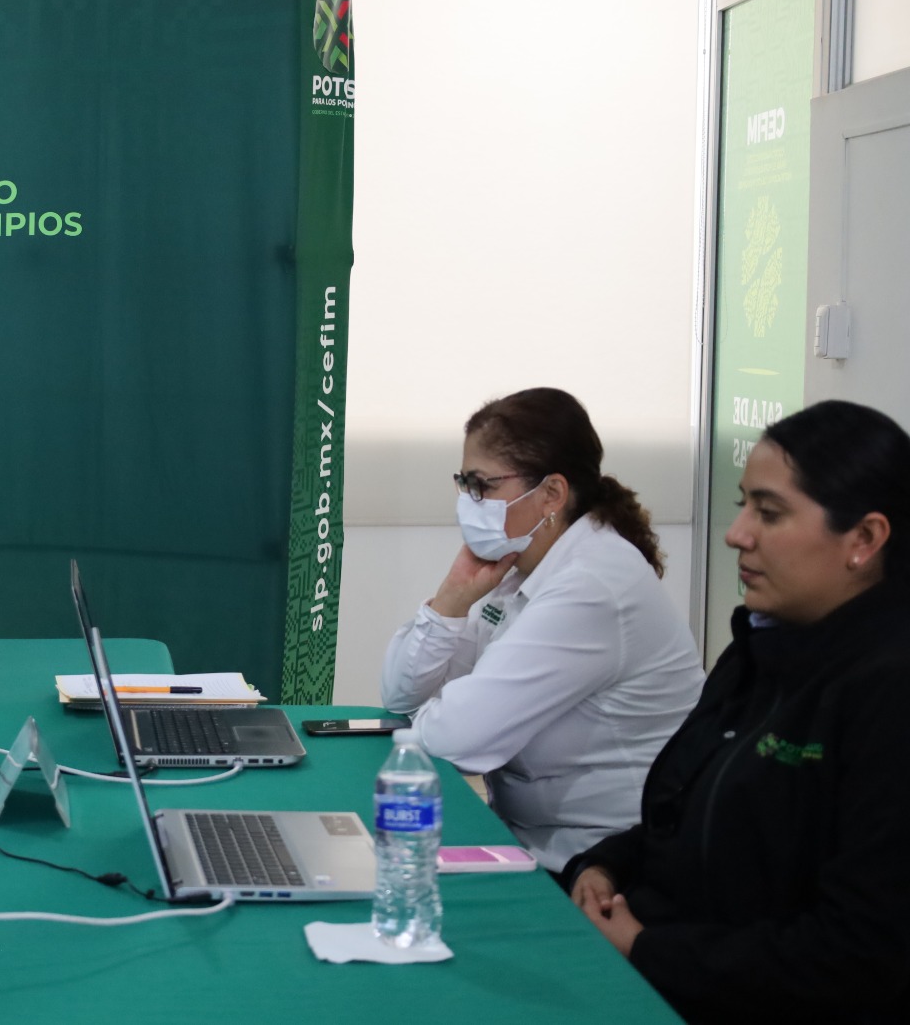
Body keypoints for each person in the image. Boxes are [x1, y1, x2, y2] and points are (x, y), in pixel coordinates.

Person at [567, 399, 910, 1023]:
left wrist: (650, 949)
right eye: (742, 505)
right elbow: (697, 819)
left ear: (864, 539)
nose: (737, 534)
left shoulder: (886, 691)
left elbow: (859, 954)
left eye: (769, 513)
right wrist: (606, 864)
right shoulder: (759, 648)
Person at [381, 387, 702, 871]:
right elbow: (400, 695)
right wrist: (451, 599)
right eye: (464, 483)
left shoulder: (593, 584)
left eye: (483, 486)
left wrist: (432, 716)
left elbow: (457, 738)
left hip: (609, 862)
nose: (469, 502)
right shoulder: (519, 566)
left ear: (552, 493)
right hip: (530, 839)